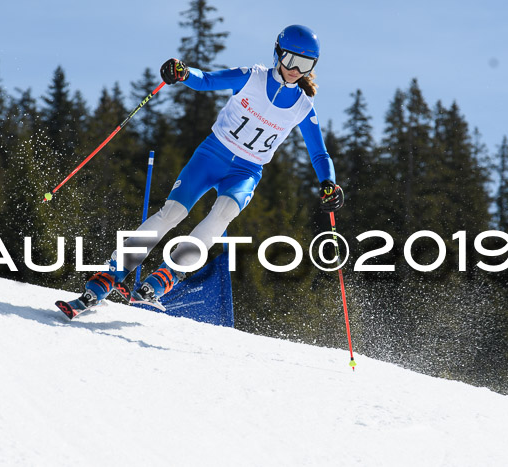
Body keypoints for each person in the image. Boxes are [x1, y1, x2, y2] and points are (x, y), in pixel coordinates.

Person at [59, 24, 344, 317]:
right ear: (277, 53)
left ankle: (167, 276)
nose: (295, 69)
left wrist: (328, 183)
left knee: (223, 212)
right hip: (213, 154)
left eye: (305, 64)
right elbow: (206, 80)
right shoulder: (252, 77)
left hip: (247, 170)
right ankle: (112, 274)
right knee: (172, 213)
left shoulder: (302, 106)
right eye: (290, 59)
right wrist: (183, 73)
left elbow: (320, 153)